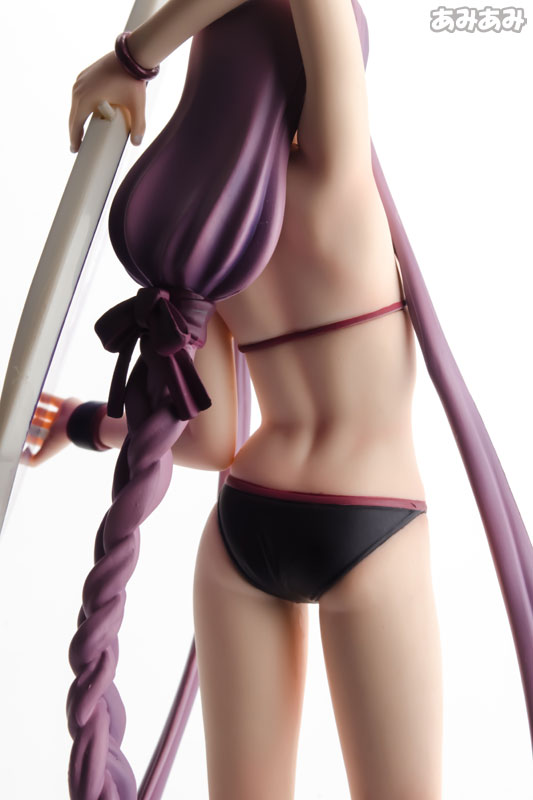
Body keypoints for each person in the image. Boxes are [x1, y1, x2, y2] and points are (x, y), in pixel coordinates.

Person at [24, 1, 533, 798]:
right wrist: (132, 57)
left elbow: (208, 440)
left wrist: (86, 423)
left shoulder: (217, 243)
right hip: (372, 520)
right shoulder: (337, 178)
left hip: (242, 527)